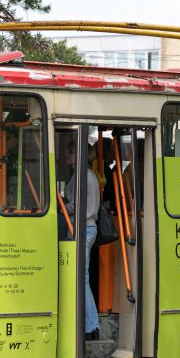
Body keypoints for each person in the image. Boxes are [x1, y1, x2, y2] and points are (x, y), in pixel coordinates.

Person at [64, 141, 101, 340]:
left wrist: (57, 203)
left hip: (81, 227)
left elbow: (74, 206)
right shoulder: (89, 176)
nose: (66, 156)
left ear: (76, 154)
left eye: (69, 152)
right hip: (87, 227)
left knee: (81, 278)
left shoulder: (82, 177)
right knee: (82, 278)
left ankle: (91, 325)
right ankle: (90, 324)